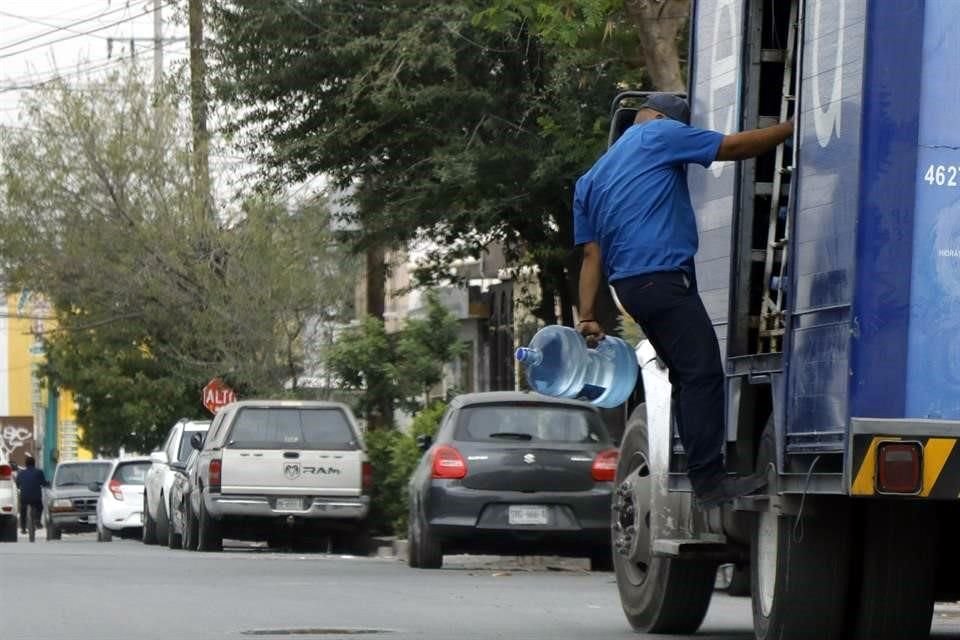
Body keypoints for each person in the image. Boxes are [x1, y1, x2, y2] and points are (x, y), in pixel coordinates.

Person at [574, 94, 793, 508]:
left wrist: (587, 317)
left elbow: (591, 256)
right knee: (704, 373)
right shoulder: (658, 134)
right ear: (660, 118)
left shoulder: (592, 177)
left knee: (687, 376)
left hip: (633, 290)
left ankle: (699, 470)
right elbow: (731, 148)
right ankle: (708, 481)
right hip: (662, 280)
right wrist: (791, 128)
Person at [15, 454, 47, 533]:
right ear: (34, 463)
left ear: (25, 464)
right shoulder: (39, 472)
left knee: (23, 510)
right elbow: (43, 483)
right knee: (40, 506)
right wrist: (47, 484)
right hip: (36, 498)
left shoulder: (21, 473)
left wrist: (21, 487)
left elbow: (17, 484)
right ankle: (37, 521)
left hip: (24, 497)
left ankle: (23, 528)